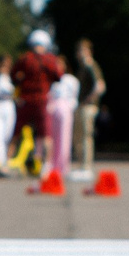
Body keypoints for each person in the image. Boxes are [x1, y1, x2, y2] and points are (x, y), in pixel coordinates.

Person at [10, 29, 66, 169]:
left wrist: (22, 81)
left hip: (25, 100)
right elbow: (58, 76)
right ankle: (46, 165)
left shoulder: (25, 58)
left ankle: (6, 162)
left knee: (16, 133)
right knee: (46, 134)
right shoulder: (49, 59)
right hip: (42, 101)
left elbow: (13, 75)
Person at [73, 39, 105, 177]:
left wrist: (89, 99)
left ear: (88, 51)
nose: (79, 53)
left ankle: (86, 167)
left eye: (82, 50)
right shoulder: (83, 67)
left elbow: (100, 86)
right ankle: (81, 166)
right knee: (79, 136)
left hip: (87, 107)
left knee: (86, 136)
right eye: (78, 50)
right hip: (82, 106)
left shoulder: (90, 65)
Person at [46, 70, 79, 182]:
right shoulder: (51, 78)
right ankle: (50, 165)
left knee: (64, 138)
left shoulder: (70, 79)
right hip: (52, 108)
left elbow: (74, 96)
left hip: (65, 108)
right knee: (51, 138)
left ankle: (62, 166)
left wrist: (70, 106)